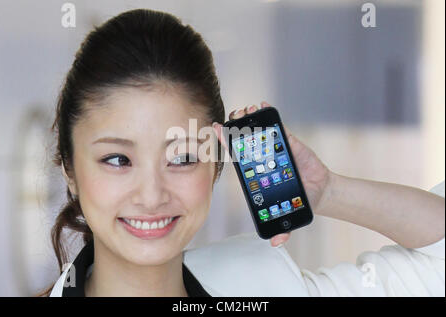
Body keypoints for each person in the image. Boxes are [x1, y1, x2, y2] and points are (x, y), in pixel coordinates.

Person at [39, 8, 444, 297]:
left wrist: (328, 191)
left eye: (181, 158)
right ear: (70, 168)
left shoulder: (264, 286)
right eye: (117, 160)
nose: (151, 195)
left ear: (216, 164)